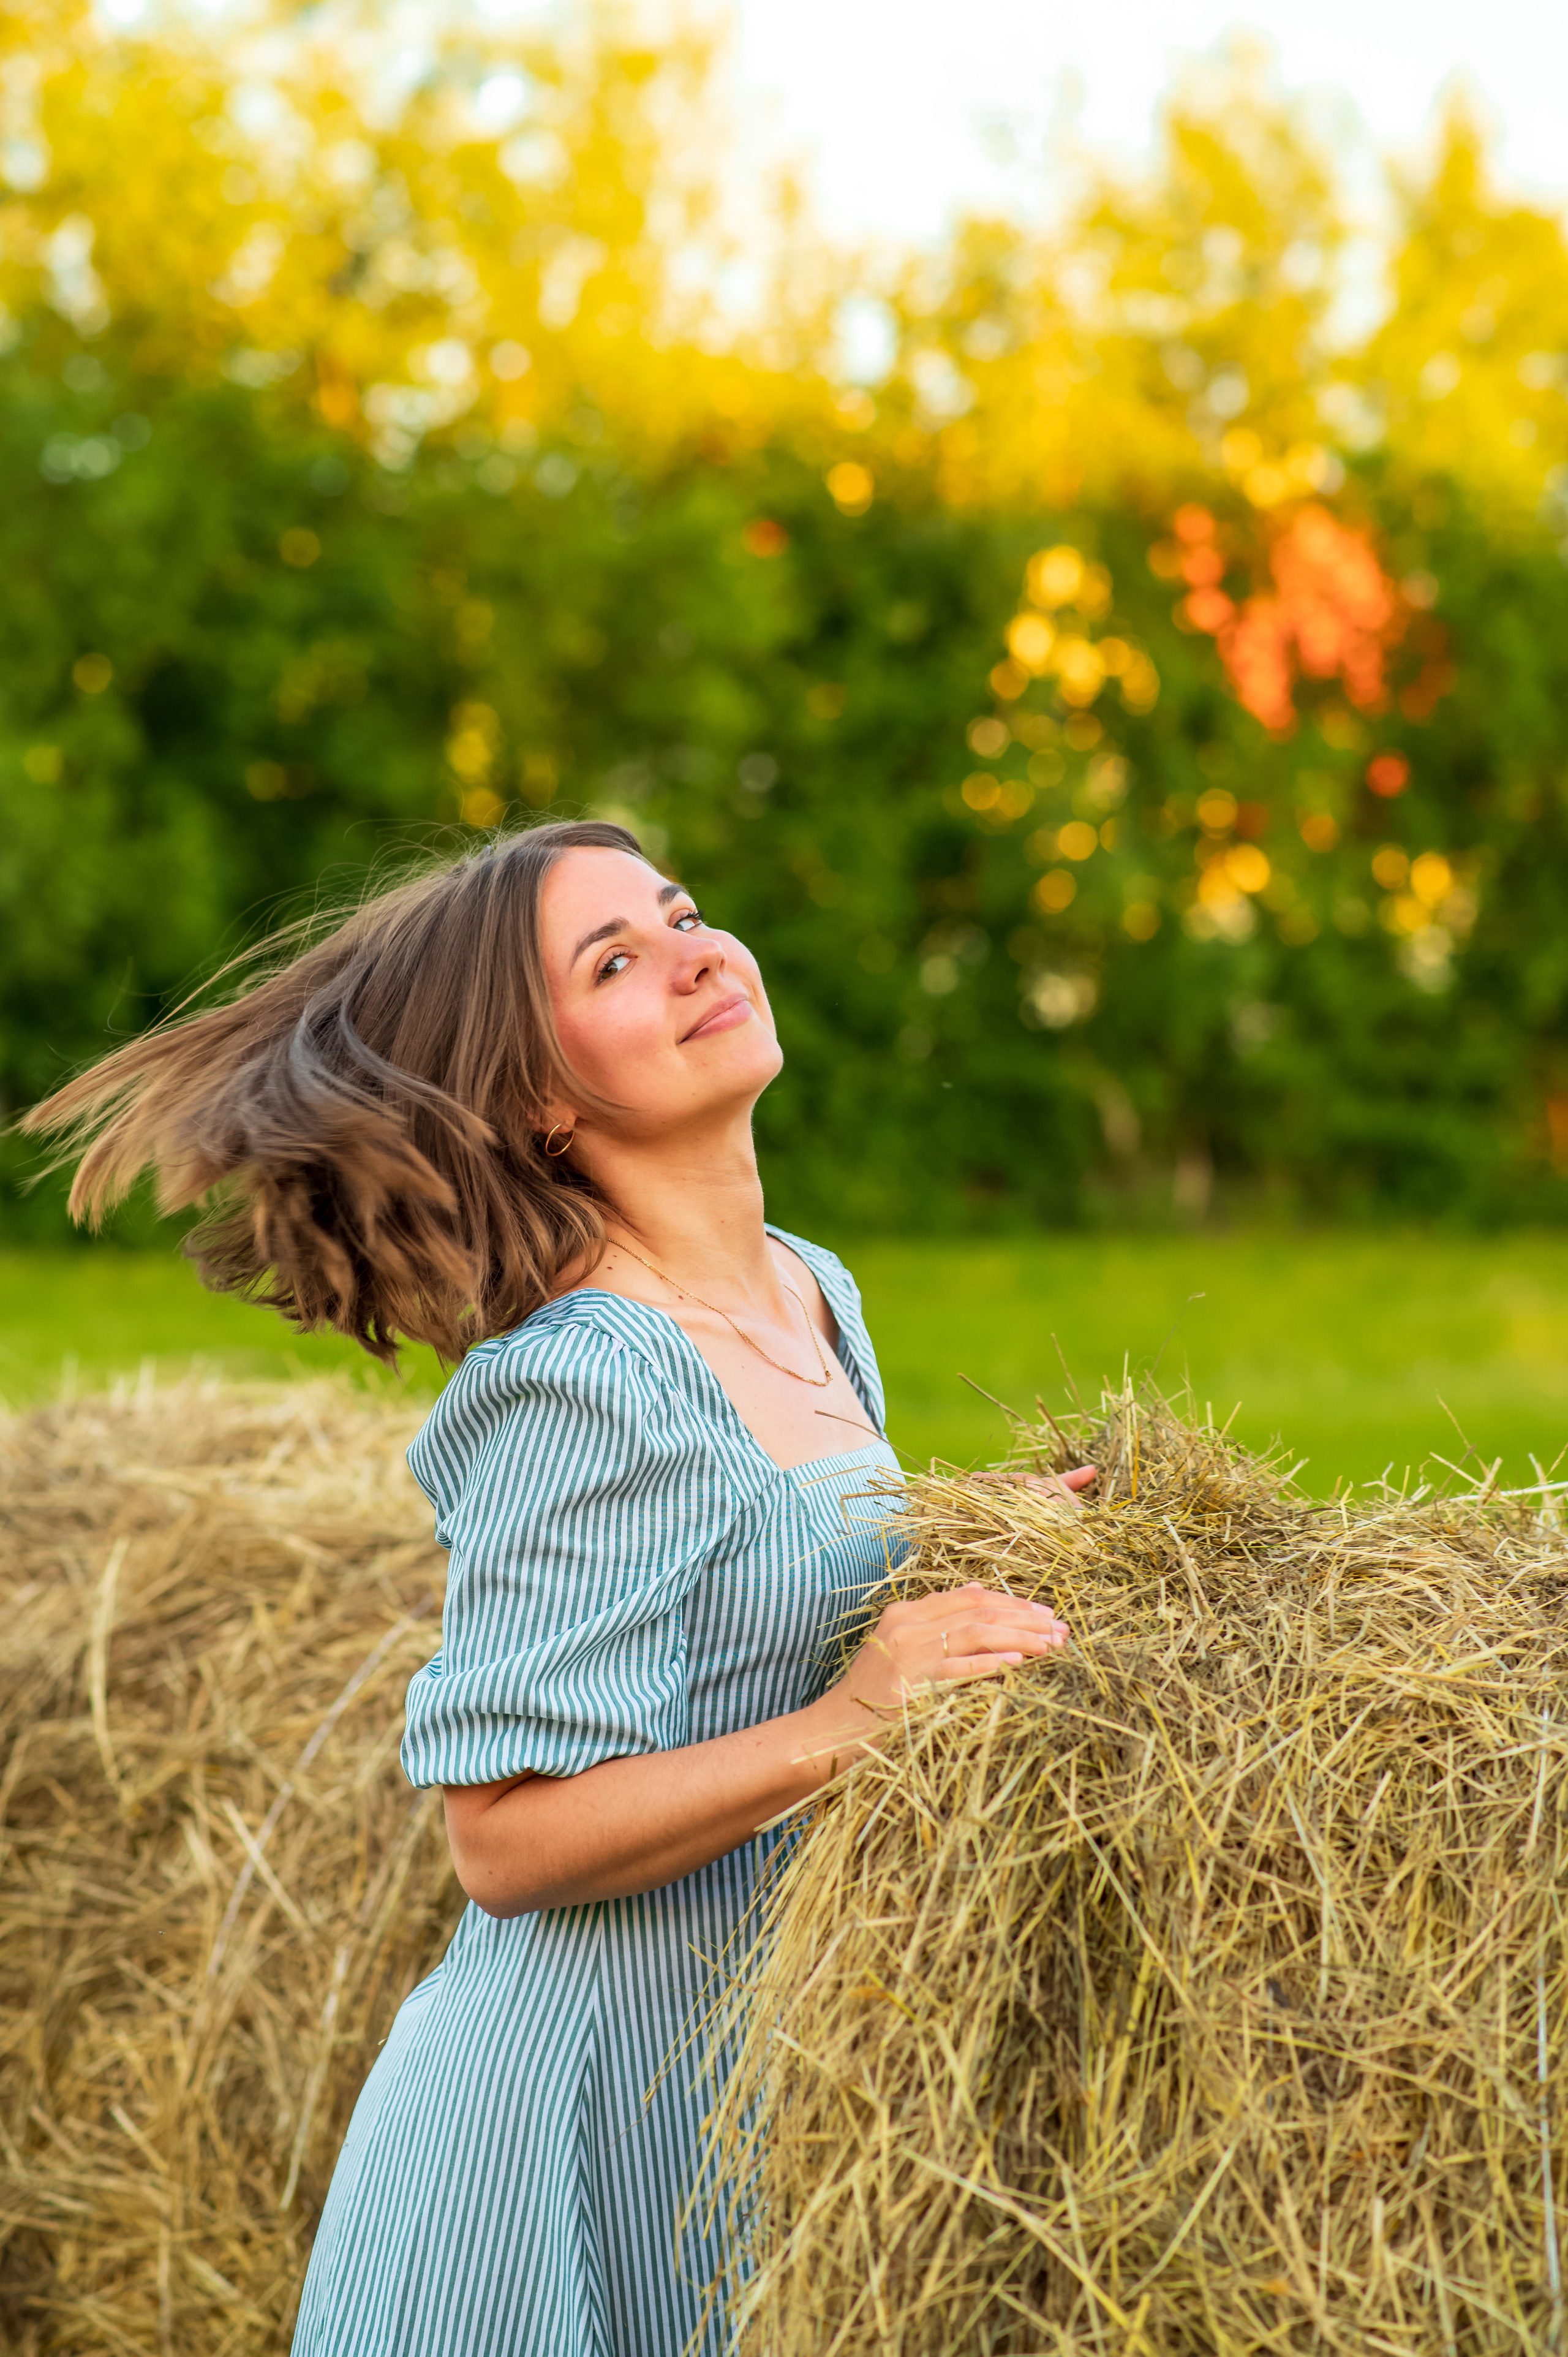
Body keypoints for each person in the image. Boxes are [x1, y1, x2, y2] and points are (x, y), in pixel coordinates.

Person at [25, 819, 1088, 2356]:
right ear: (536, 1096)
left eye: (681, 915)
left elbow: (767, 1592)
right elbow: (504, 1836)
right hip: (571, 2152)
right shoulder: (586, 1381)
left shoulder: (808, 1287)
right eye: (615, 961)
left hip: (738, 2102)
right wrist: (859, 1718)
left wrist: (997, 1548)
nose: (694, 954)